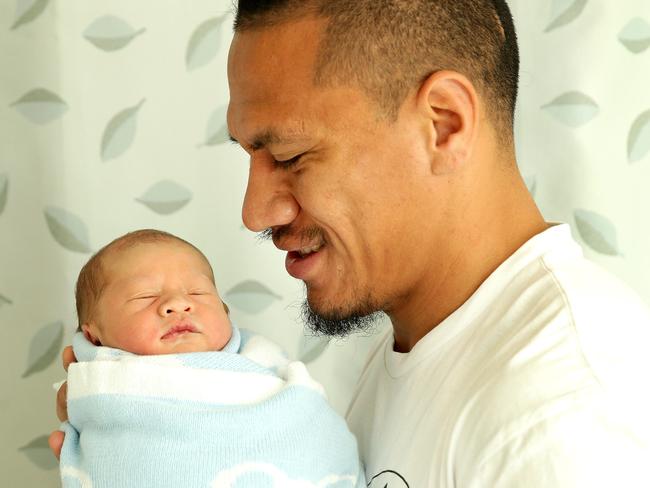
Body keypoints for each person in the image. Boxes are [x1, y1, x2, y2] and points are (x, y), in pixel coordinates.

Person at [52, 1, 650, 486]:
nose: (254, 210)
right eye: (250, 156)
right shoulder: (424, 351)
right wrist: (159, 446)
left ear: (443, 124)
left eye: (289, 155)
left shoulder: (563, 419)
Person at [58, 229, 365, 488]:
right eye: (145, 296)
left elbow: (305, 418)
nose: (178, 303)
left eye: (198, 292)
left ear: (225, 311)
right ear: (93, 336)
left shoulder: (261, 363)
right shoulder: (104, 385)